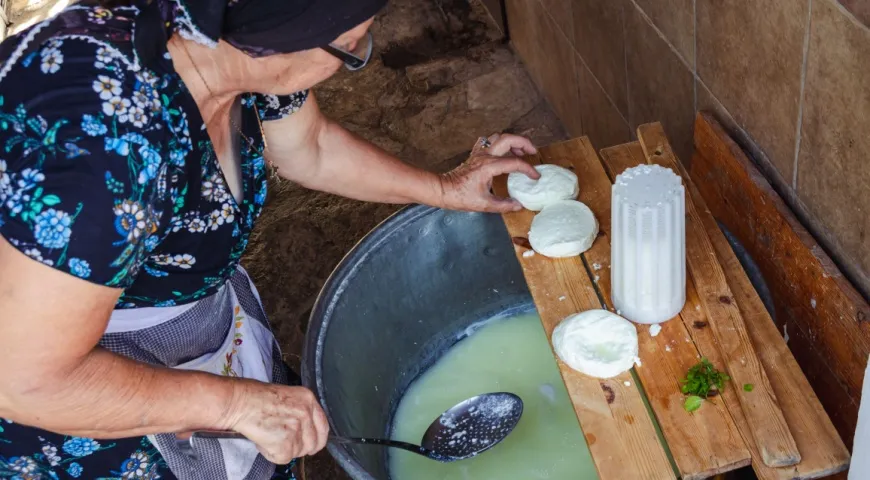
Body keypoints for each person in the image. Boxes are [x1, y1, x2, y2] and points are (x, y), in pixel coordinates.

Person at [0, 0, 540, 478]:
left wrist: (444, 189)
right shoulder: (99, 152)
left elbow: (311, 146)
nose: (354, 57)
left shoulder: (229, 52)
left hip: (190, 322)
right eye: (349, 46)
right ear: (279, 34)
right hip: (75, 405)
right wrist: (232, 407)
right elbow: (24, 381)